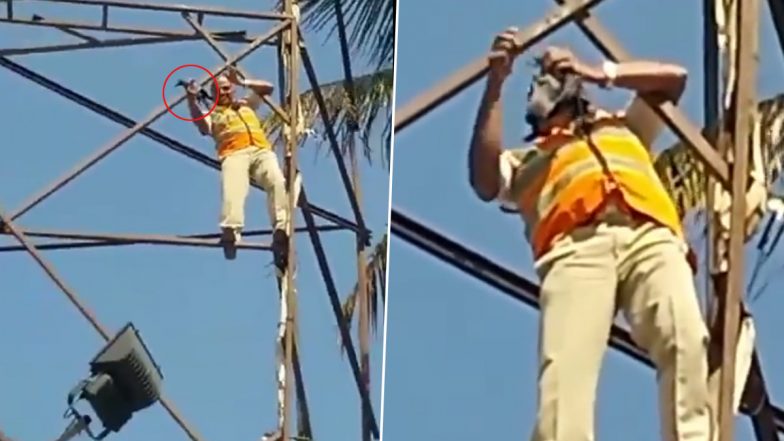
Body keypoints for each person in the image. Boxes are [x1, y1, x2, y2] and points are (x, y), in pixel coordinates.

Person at [468, 27, 715, 441]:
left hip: (648, 237)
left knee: (685, 339)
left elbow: (673, 79)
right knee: (564, 380)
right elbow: (484, 179)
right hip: (575, 251)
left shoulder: (623, 128)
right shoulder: (530, 159)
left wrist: (597, 71)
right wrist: (495, 85)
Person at [186, 67, 289, 270]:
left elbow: (268, 88)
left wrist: (243, 82)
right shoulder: (214, 114)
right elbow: (202, 126)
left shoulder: (246, 105)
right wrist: (191, 101)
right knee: (234, 189)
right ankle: (231, 229)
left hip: (260, 150)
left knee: (277, 182)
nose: (224, 92)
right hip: (234, 153)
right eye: (220, 91)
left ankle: (281, 228)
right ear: (214, 95)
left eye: (227, 88)